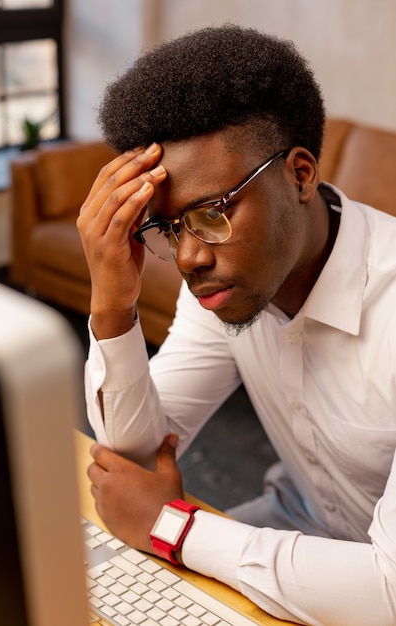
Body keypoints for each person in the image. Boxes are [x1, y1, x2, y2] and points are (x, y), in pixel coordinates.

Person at [77, 24, 396, 626]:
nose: (191, 257)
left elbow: (388, 590)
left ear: (300, 175)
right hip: (292, 533)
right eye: (171, 228)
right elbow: (137, 458)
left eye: (213, 213)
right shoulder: (227, 291)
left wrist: (173, 526)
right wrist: (113, 305)